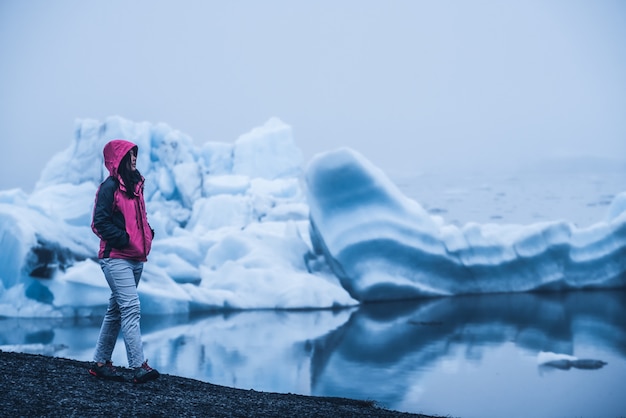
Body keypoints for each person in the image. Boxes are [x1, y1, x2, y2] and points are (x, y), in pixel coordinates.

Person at [88, 139, 160, 384]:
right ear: (118, 159)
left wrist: (147, 232)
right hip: (116, 257)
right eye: (129, 155)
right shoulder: (109, 187)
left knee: (116, 311)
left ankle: (100, 363)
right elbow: (99, 222)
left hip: (136, 257)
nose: (133, 159)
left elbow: (139, 217)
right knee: (131, 308)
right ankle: (138, 366)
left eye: (135, 155)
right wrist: (123, 239)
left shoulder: (136, 186)